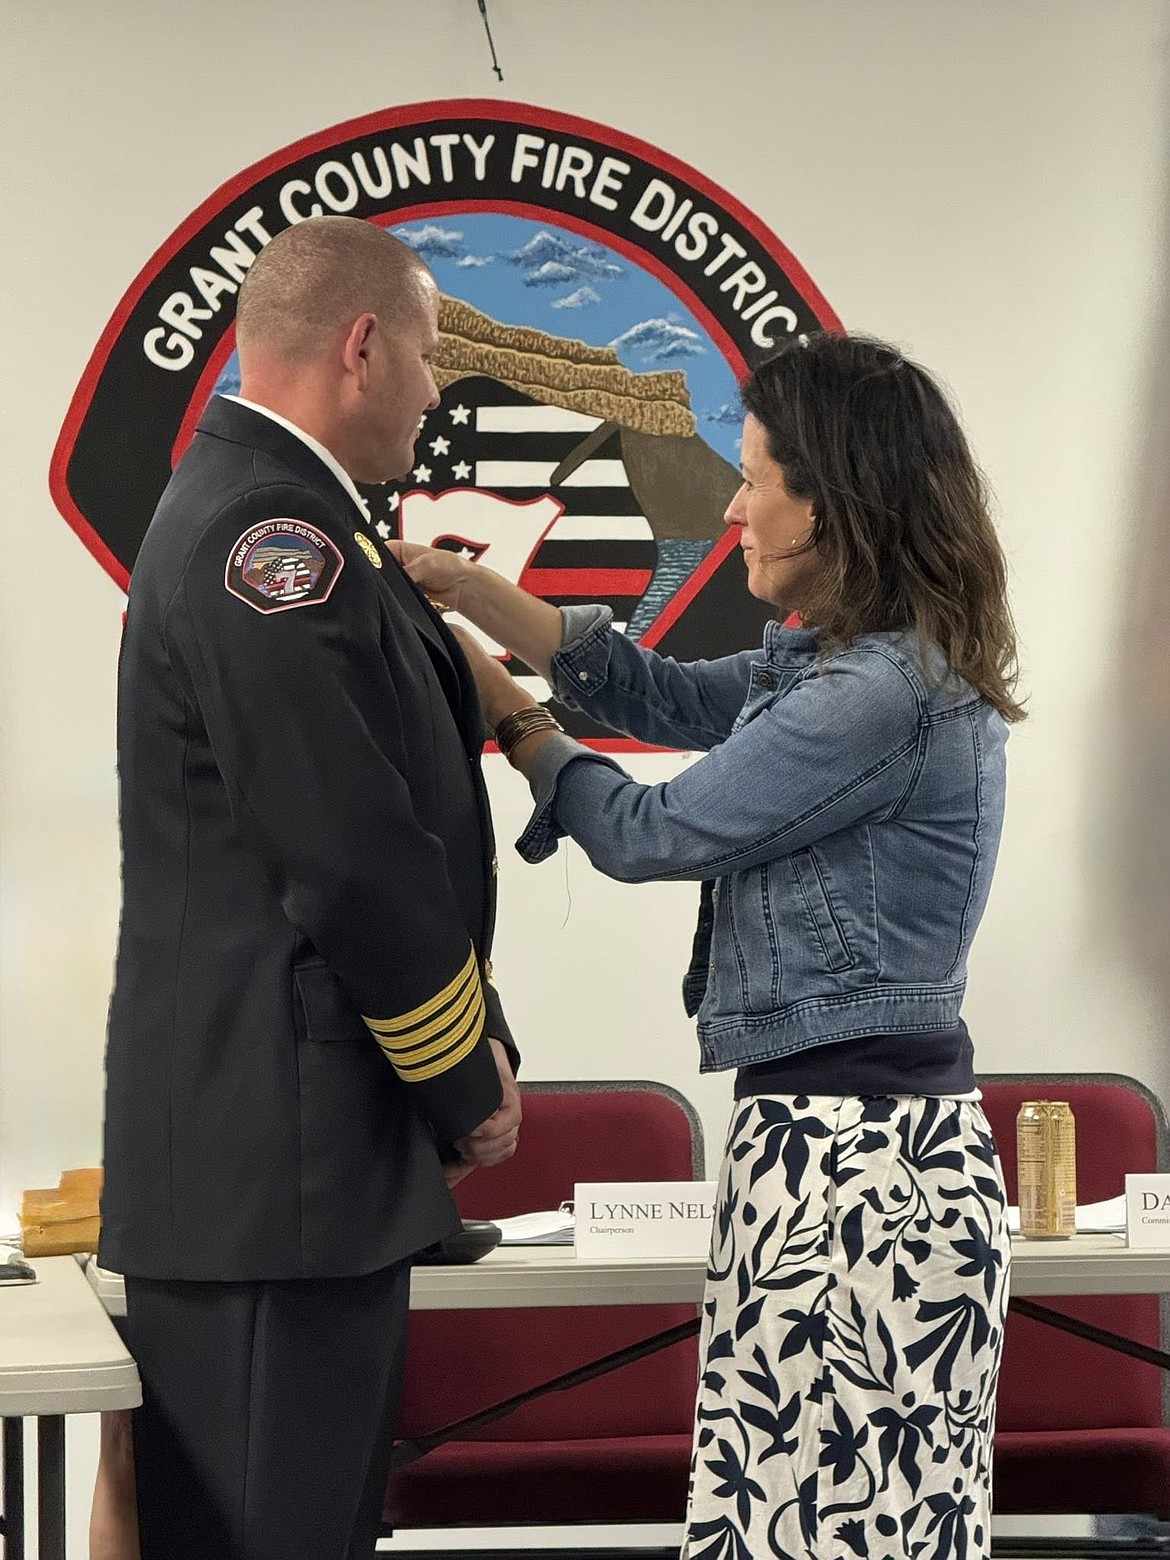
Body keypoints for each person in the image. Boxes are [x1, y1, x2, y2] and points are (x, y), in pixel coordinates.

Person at [390, 330, 1024, 1560]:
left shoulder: (879, 696)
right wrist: (465, 589)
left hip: (861, 1178)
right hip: (833, 1151)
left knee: (829, 1538)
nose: (732, 507)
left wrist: (508, 715)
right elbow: (661, 698)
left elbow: (649, 828)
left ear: (835, 505)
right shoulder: (855, 668)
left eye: (756, 479)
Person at [96, 215, 521, 1560]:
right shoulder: (269, 541)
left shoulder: (271, 518)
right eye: (430, 353)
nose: (437, 388)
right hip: (277, 1179)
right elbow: (347, 851)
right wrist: (462, 1075)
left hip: (285, 1173)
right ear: (361, 345)